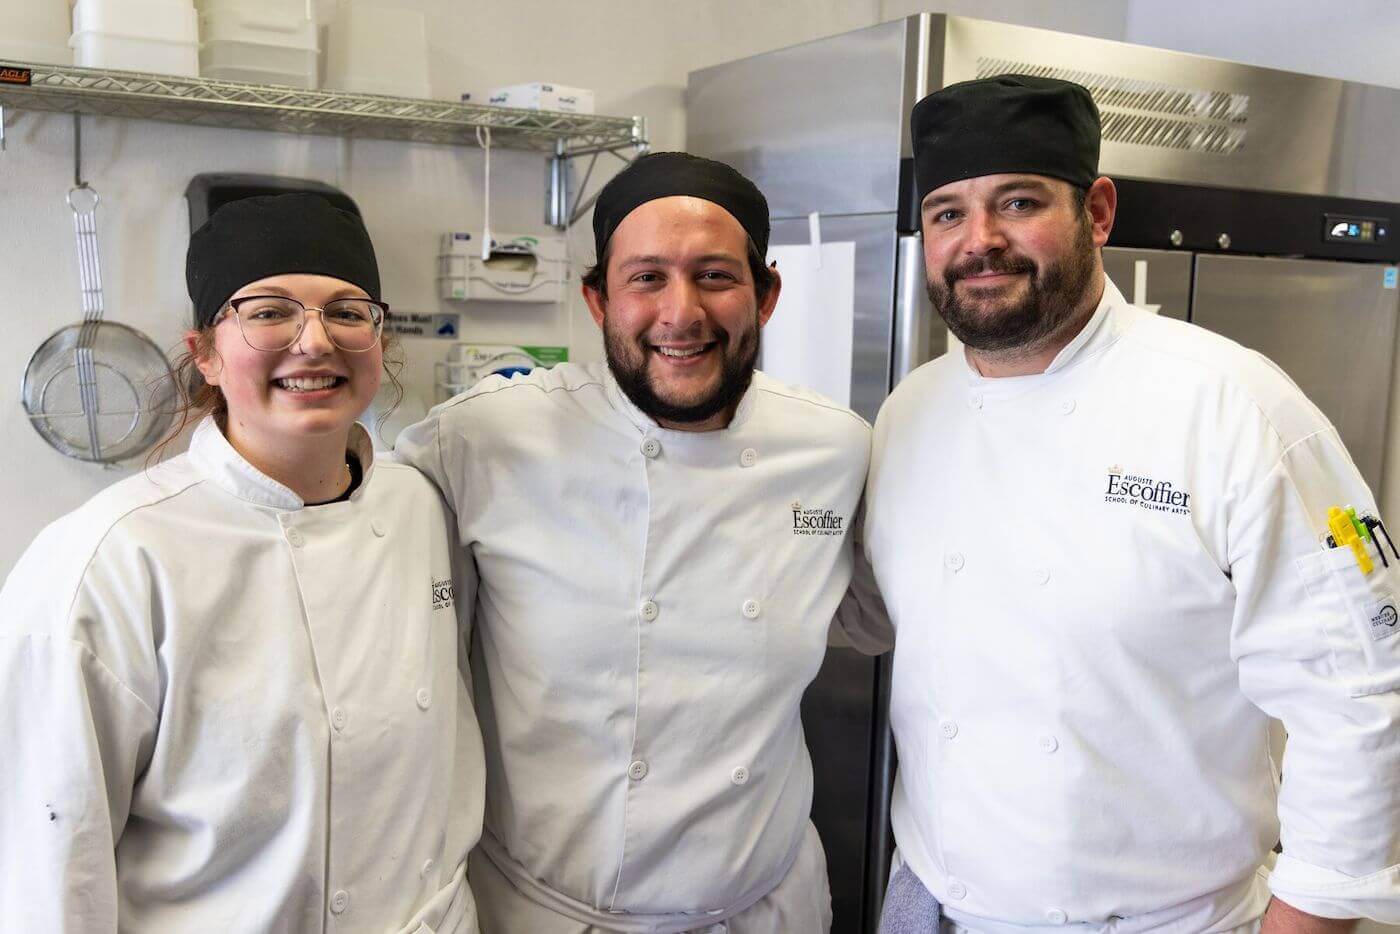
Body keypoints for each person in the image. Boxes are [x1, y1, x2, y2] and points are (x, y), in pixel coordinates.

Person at [866, 75, 1400, 933]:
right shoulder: (908, 414)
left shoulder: (1236, 407)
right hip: (932, 901)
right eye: (948, 214)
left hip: (1166, 920)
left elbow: (1361, 694)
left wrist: (1311, 919)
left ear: (1099, 212)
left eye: (1018, 202)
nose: (981, 242)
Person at [395, 151, 890, 933]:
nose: (681, 313)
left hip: (763, 908)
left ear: (766, 296)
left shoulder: (834, 449)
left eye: (716, 277)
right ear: (597, 299)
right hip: (548, 912)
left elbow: (878, 613)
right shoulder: (484, 440)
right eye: (647, 277)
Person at [0, 193, 485, 932]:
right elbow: (51, 866)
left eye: (349, 312)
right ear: (205, 354)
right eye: (268, 311)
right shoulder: (109, 560)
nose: (316, 342)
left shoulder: (422, 509)